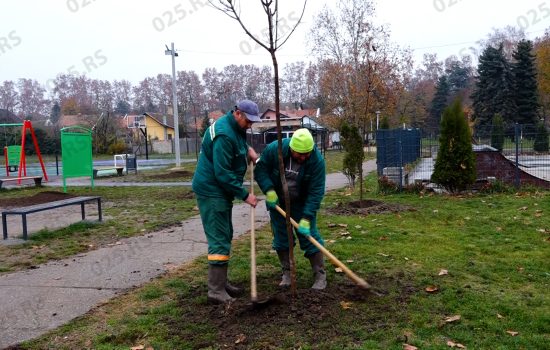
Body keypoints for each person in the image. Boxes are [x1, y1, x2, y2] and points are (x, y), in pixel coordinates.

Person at [192, 99, 261, 304]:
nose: (250, 125)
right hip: (213, 191)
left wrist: (248, 150)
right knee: (220, 238)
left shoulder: (233, 127)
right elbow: (222, 174)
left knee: (225, 233)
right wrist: (244, 195)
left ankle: (221, 283)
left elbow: (238, 143)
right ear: (238, 113)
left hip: (219, 191)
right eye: (248, 121)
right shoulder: (223, 134)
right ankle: (215, 291)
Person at [254, 128, 327, 290]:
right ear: (291, 148)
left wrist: (307, 218)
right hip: (278, 202)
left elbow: (316, 192)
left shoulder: (316, 161)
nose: (303, 157)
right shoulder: (275, 149)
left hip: (301, 202)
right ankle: (287, 273)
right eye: (300, 154)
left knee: (309, 237)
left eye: (307, 153)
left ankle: (320, 274)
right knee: (281, 237)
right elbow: (261, 169)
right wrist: (269, 190)